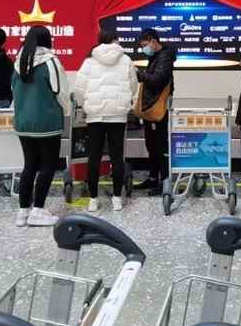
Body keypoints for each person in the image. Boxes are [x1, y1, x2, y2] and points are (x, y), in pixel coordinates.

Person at [74, 30, 137, 212]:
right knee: (117, 157)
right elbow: (133, 86)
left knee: (93, 156)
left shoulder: (89, 61)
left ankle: (93, 200)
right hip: (118, 115)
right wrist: (124, 101)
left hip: (95, 115)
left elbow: (79, 88)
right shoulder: (126, 60)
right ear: (115, 40)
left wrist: (86, 104)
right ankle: (117, 199)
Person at [12, 25, 68, 227]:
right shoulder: (50, 61)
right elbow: (60, 91)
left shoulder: (18, 62)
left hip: (23, 122)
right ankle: (38, 209)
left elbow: (13, 90)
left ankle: (23, 212)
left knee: (29, 165)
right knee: (47, 166)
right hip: (47, 122)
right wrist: (66, 111)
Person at [134, 29, 176, 194]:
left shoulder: (165, 57)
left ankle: (164, 181)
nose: (144, 49)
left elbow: (158, 79)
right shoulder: (155, 57)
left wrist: (139, 75)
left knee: (160, 145)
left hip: (159, 107)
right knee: (151, 145)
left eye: (145, 45)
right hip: (151, 106)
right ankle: (153, 178)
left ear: (153, 41)